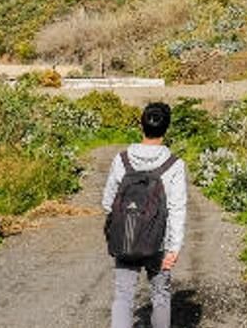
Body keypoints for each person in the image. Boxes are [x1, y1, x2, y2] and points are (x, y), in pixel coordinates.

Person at [101, 102, 187, 328]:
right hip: (158, 242)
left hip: (126, 237)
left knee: (123, 295)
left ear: (142, 125)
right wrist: (174, 248)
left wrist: (125, 223)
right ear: (166, 129)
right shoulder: (174, 165)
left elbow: (107, 202)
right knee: (160, 294)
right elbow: (177, 209)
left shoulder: (122, 160)